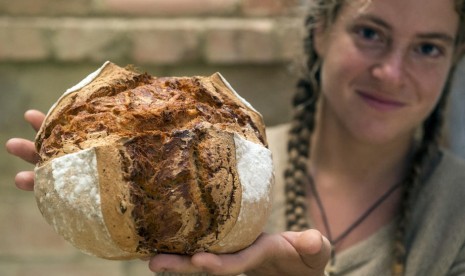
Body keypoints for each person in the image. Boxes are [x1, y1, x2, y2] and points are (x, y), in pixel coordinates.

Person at [5, 0, 465, 275]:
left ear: (456, 57)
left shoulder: (455, 214)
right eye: (370, 32)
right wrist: (75, 186)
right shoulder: (242, 168)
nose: (391, 72)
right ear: (321, 31)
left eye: (428, 47)